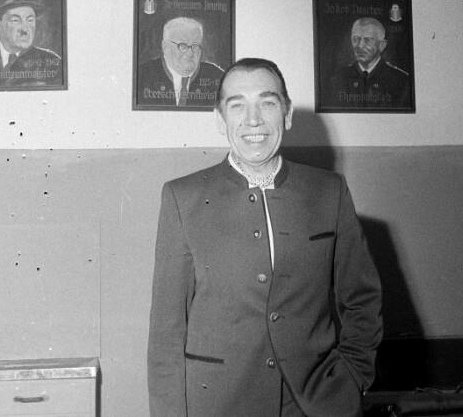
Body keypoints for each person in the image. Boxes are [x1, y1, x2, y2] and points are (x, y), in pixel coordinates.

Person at [147, 58, 383, 416]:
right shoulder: (183, 198)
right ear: (220, 119)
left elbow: (362, 298)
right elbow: (167, 329)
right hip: (219, 404)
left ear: (287, 114)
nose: (253, 120)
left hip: (316, 404)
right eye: (237, 105)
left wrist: (353, 376)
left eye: (267, 103)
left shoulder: (329, 191)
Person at [137, 17, 224, 107]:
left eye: (195, 46)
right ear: (165, 47)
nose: (190, 53)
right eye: (183, 46)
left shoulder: (219, 78)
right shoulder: (141, 77)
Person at [328, 17, 411, 108]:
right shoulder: (338, 79)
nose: (360, 45)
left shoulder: (401, 81)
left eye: (367, 40)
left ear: (382, 45)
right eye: (356, 39)